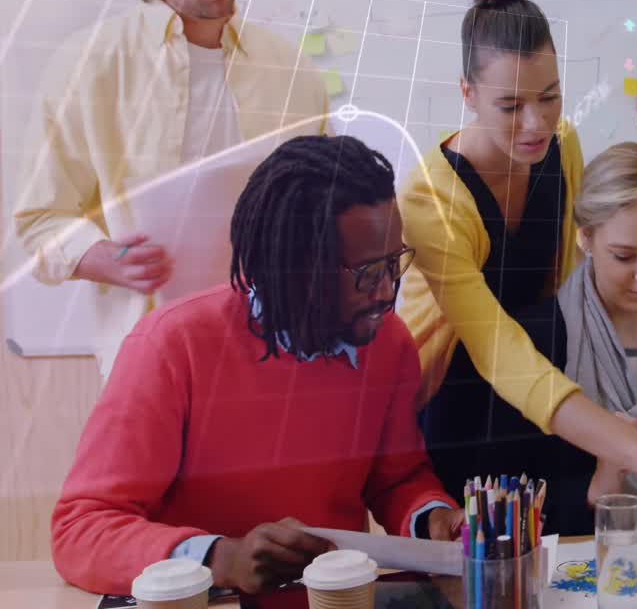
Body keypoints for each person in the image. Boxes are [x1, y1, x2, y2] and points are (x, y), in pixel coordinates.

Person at [50, 136, 461, 596]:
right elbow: (81, 529)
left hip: (330, 601)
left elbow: (397, 479)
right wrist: (220, 558)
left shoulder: (389, 345)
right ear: (294, 269)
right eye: (367, 273)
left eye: (393, 264)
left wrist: (431, 516)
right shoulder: (171, 346)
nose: (387, 292)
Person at [399, 0, 637, 518]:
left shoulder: (562, 144)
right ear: (467, 93)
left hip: (541, 380)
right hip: (451, 393)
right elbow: (495, 349)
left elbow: (568, 279)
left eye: (551, 97)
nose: (536, 123)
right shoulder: (430, 198)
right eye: (510, 106)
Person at [11, 0, 327, 377]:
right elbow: (40, 219)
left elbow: (318, 215)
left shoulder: (294, 73)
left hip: (276, 359)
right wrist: (106, 258)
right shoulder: (89, 67)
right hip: (150, 365)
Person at [500, 143, 637, 535]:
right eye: (624, 256)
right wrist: (600, 485)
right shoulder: (537, 341)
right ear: (585, 238)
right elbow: (507, 502)